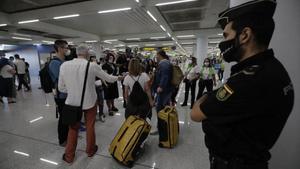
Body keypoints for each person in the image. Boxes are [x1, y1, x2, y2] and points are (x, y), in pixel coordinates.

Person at [190, 1, 294, 169]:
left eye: (226, 35)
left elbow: (195, 114)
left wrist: (207, 97)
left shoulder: (248, 80)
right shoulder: (275, 69)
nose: (223, 43)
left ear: (245, 35)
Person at [58, 44, 123, 163]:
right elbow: (108, 78)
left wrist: (73, 91)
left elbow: (61, 88)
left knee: (73, 129)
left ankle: (69, 156)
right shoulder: (92, 66)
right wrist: (120, 78)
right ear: (87, 54)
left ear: (76, 53)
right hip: (90, 102)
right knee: (90, 127)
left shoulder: (64, 65)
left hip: (72, 103)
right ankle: (90, 150)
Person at [48, 40, 71, 146]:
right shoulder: (55, 63)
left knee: (68, 116)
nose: (67, 49)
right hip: (61, 95)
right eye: (66, 47)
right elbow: (63, 79)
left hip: (67, 94)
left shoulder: (63, 61)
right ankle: (62, 139)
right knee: (63, 118)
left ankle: (69, 135)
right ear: (60, 48)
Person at [150, 50, 173, 135]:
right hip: (166, 90)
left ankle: (160, 128)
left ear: (160, 55)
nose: (156, 57)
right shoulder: (166, 63)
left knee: (159, 109)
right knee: (164, 108)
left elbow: (165, 76)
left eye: (156, 55)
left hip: (163, 91)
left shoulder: (164, 64)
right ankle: (164, 126)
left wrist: (161, 87)